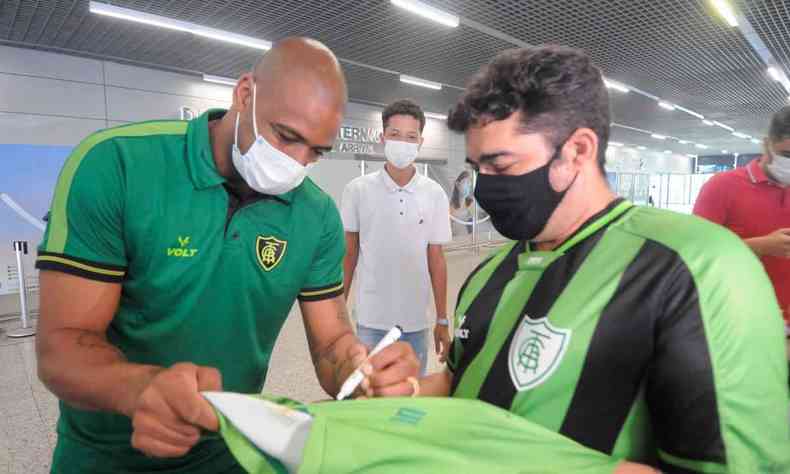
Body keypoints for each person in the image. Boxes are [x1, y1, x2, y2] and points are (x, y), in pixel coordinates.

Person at [35, 37, 419, 474]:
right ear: (245, 93)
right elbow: (62, 343)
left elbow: (332, 343)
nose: (295, 162)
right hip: (105, 456)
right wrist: (140, 389)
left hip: (231, 450)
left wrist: (360, 372)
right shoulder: (118, 165)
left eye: (315, 151)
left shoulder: (317, 217)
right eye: (286, 136)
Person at [399, 45, 790, 472]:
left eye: (500, 164)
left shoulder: (694, 269)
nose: (483, 187)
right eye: (478, 169)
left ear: (578, 151)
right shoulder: (487, 275)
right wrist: (408, 392)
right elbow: (458, 383)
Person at [342, 99, 452, 375]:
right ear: (382, 138)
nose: (402, 142)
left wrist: (441, 319)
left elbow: (436, 259)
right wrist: (338, 316)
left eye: (410, 137)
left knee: (410, 398)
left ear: (420, 141)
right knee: (368, 394)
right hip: (370, 320)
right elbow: (349, 254)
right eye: (395, 135)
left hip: (415, 322)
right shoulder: (357, 190)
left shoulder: (434, 193)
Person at [694, 106, 790, 334]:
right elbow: (694, 254)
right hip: (738, 321)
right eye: (787, 154)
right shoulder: (722, 187)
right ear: (766, 144)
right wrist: (758, 246)